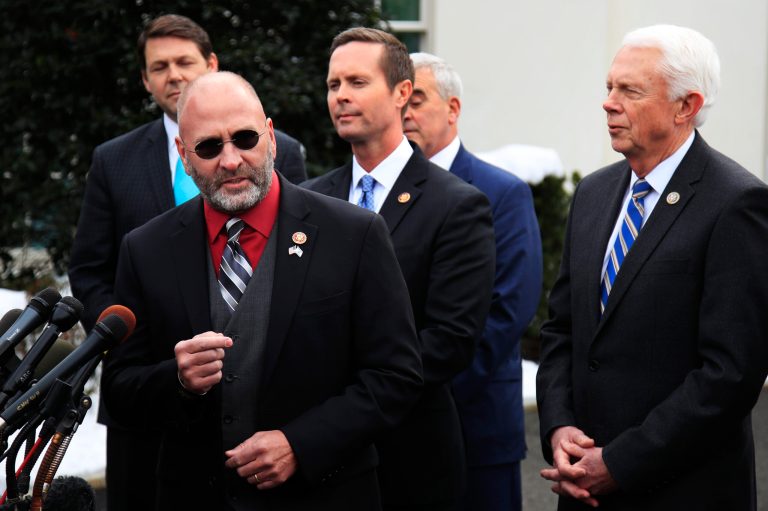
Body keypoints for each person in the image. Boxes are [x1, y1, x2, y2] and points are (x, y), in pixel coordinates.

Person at [101, 71, 423, 510]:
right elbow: (120, 390)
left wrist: (300, 444)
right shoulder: (147, 248)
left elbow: (396, 376)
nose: (231, 160)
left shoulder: (354, 233)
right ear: (183, 153)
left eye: (245, 138)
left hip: (324, 496)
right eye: (210, 147)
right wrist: (177, 381)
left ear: (270, 136)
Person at [67, 14, 306, 510]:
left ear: (211, 63)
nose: (173, 75)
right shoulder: (114, 160)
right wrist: (137, 338)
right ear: (145, 79)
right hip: (148, 390)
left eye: (184, 62)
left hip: (260, 404)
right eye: (159, 66)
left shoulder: (285, 154)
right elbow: (89, 269)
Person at [536, 24, 768, 510]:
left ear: (687, 106)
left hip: (683, 490)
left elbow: (730, 373)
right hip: (581, 485)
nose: (608, 102)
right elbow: (562, 331)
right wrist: (560, 428)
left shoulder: (736, 203)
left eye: (630, 90)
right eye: (609, 87)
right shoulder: (594, 193)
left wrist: (620, 462)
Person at [303, 27, 495, 510]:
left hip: (409, 461)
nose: (341, 95)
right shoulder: (308, 200)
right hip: (320, 460)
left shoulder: (456, 205)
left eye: (357, 82)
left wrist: (345, 399)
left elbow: (448, 342)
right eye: (333, 85)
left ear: (402, 93)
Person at [404, 52, 542, 511]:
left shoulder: (501, 192)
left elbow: (507, 313)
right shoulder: (374, 193)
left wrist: (413, 396)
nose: (405, 111)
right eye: (398, 98)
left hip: (474, 426)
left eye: (417, 98)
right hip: (388, 432)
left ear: (453, 109)